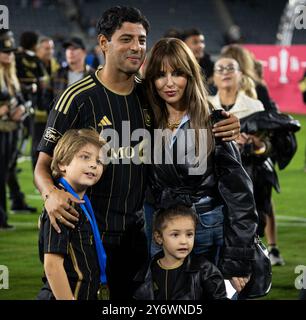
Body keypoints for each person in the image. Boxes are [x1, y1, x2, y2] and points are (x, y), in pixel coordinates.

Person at [34, 6, 240, 300]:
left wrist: (222, 119)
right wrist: (49, 194)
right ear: (104, 43)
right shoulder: (76, 98)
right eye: (126, 39)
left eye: (142, 40)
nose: (137, 47)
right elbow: (42, 165)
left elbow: (188, 109)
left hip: (134, 236)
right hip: (84, 231)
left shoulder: (150, 96)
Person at [144, 38, 257, 294]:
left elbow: (240, 196)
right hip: (159, 233)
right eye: (160, 75)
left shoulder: (213, 121)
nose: (169, 83)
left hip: (206, 233)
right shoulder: (146, 120)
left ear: (191, 75)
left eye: (178, 73)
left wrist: (238, 261)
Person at [220, 45, 286, 266]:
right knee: (261, 204)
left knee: (260, 204)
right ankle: (269, 249)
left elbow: (269, 127)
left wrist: (255, 142)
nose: (226, 72)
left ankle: (259, 253)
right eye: (222, 68)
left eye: (230, 66)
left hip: (253, 163)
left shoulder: (256, 94)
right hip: (229, 166)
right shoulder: (211, 98)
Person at [37, 129, 106, 300]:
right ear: (62, 164)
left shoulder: (81, 202)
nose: (93, 164)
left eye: (99, 161)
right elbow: (52, 266)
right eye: (85, 157)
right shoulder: (62, 205)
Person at [134, 205, 227, 300]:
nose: (184, 241)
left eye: (189, 234)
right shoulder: (146, 272)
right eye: (175, 234)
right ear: (159, 237)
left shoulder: (206, 271)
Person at [0, 29, 28, 229]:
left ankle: (2, 217)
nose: (9, 55)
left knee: (4, 172)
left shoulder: (10, 75)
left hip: (11, 130)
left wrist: (22, 109)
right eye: (5, 51)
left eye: (10, 51)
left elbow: (22, 102)